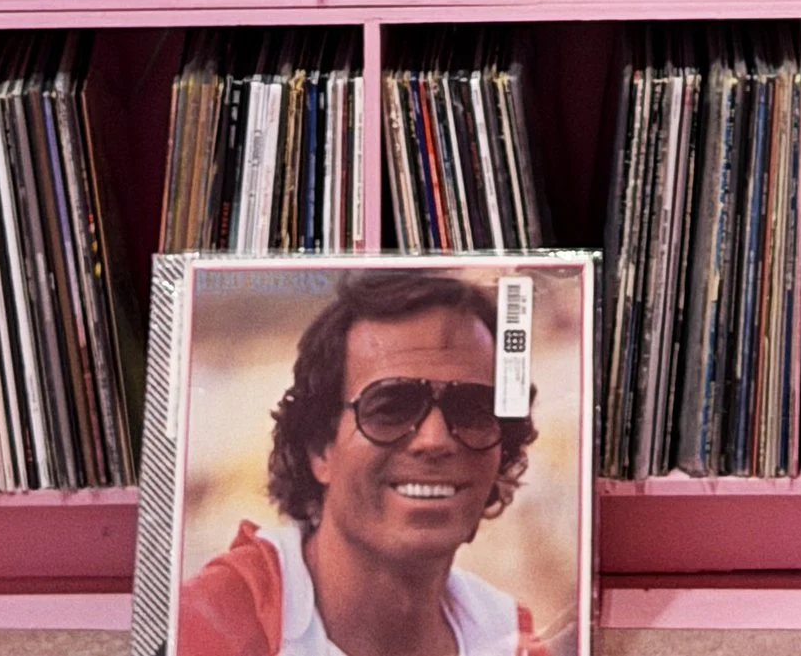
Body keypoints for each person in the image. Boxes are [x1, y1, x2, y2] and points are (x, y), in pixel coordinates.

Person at [180, 271, 559, 656]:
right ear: (319, 448)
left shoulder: (508, 640)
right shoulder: (218, 622)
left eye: (472, 410)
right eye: (391, 408)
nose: (435, 440)